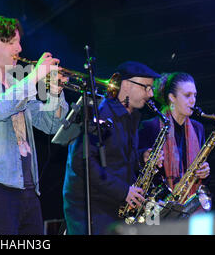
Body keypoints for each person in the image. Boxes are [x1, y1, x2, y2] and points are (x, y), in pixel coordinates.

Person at [0, 16, 69, 235]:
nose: (19, 48)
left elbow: (51, 125)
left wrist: (55, 93)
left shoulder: (19, 84)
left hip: (28, 187)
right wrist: (35, 76)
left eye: (19, 42)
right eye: (11, 43)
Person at [63, 61, 161, 235]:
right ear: (127, 85)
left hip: (111, 204)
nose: (151, 94)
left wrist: (141, 157)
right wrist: (123, 191)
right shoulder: (101, 113)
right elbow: (80, 161)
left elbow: (114, 156)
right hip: (92, 208)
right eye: (146, 87)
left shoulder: (132, 116)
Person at [138, 72, 209, 206]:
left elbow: (199, 168)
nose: (193, 100)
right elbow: (138, 169)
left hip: (191, 205)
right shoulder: (149, 126)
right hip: (159, 205)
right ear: (172, 97)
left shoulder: (198, 128)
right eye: (187, 95)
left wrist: (204, 171)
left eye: (195, 95)